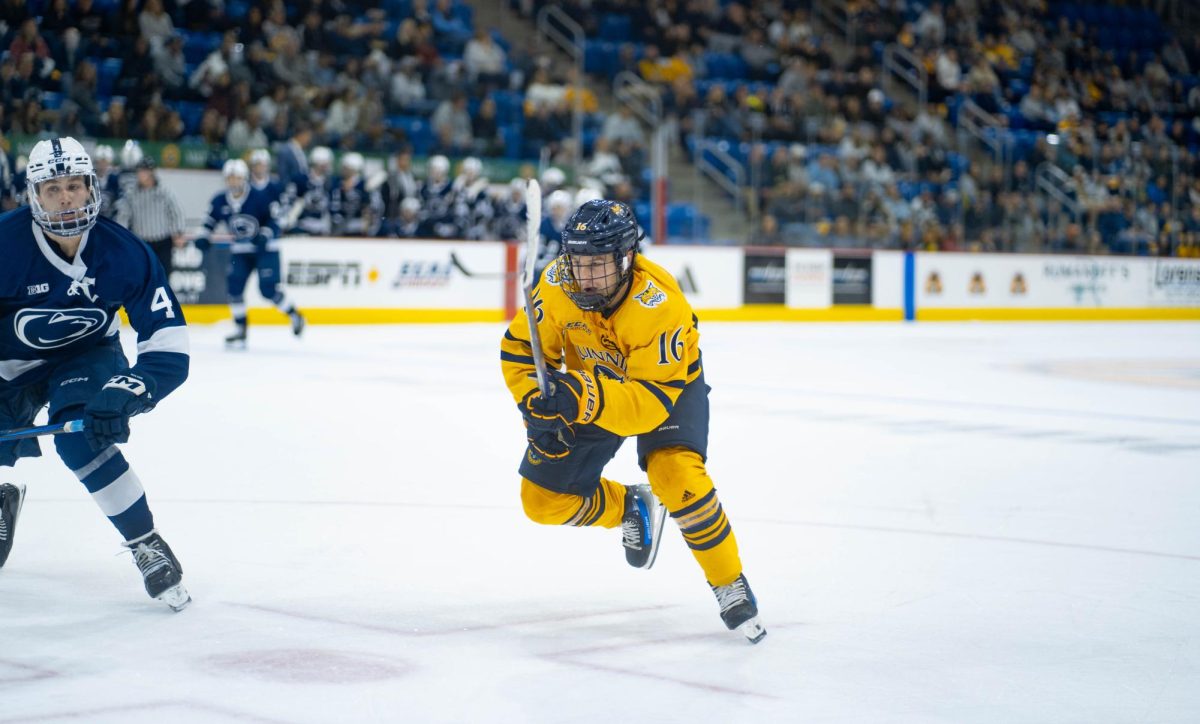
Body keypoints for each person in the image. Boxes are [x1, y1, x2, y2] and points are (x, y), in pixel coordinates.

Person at [500, 199, 766, 643]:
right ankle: (629, 508)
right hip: (590, 386)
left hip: (664, 389)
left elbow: (647, 404)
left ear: (627, 258)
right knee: (542, 502)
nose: (584, 276)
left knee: (675, 474)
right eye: (577, 262)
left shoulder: (658, 304)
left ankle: (728, 581)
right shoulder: (553, 287)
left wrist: (579, 397)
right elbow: (519, 355)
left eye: (598, 264)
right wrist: (535, 402)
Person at [0, 137, 190, 610]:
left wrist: (131, 390)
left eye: (74, 185)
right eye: (52, 189)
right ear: (33, 195)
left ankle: (145, 541)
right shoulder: (4, 244)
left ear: (91, 188)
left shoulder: (124, 252)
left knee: (82, 438)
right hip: (7, 363)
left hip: (85, 357)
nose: (65, 197)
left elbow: (168, 343)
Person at [194, 159, 306, 347]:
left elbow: (276, 219)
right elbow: (209, 221)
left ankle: (295, 315)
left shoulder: (260, 197)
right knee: (234, 288)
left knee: (268, 290)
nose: (233, 182)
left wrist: (265, 234)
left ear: (244, 178)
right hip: (241, 250)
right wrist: (203, 236)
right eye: (230, 178)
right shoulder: (220, 200)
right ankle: (240, 329)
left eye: (237, 177)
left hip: (266, 249)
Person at [113, 156, 186, 277]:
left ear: (151, 172)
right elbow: (123, 215)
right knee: (142, 276)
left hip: (163, 241)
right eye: (139, 171)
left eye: (143, 171)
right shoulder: (131, 194)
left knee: (163, 275)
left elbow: (176, 211)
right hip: (142, 243)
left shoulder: (164, 192)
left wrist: (178, 233)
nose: (140, 174)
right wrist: (122, 236)